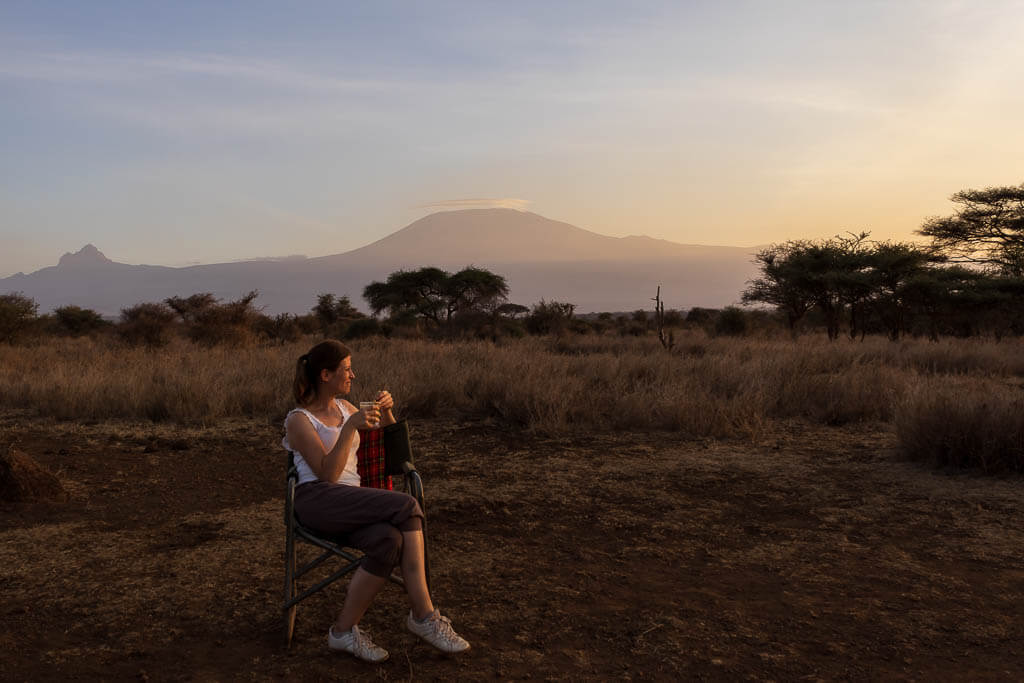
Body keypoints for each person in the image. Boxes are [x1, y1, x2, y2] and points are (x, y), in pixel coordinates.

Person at [283, 339, 470, 663]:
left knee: (389, 540)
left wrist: (386, 411)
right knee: (407, 505)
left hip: (351, 501)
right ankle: (424, 617)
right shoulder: (299, 420)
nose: (353, 375)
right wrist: (348, 430)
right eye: (347, 369)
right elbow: (327, 475)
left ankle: (342, 632)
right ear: (325, 375)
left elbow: (397, 451)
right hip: (317, 500)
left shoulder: (347, 409)